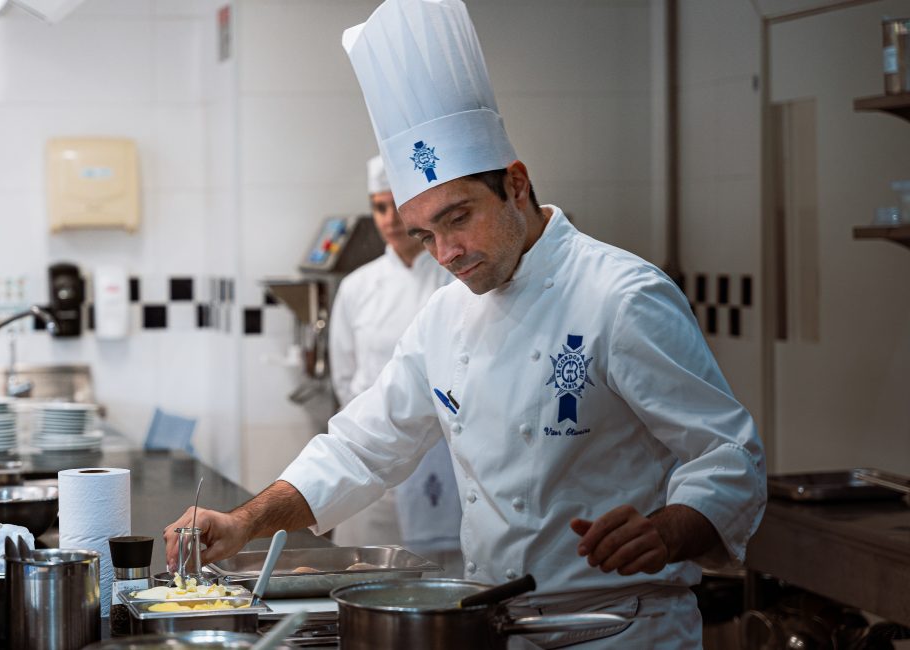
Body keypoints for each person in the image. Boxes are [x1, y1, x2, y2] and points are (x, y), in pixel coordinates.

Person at [166, 0, 766, 646]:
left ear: (516, 184)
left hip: (619, 629)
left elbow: (730, 456)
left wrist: (670, 529)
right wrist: (245, 522)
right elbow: (361, 447)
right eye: (426, 235)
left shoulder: (621, 297)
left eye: (458, 218)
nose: (447, 253)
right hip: (496, 627)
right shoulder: (444, 317)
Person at [328, 155, 462, 576]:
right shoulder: (357, 287)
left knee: (439, 578)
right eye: (378, 207)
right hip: (374, 458)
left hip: (444, 460)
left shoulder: (455, 279)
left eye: (395, 206)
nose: (388, 219)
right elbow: (344, 377)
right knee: (364, 572)